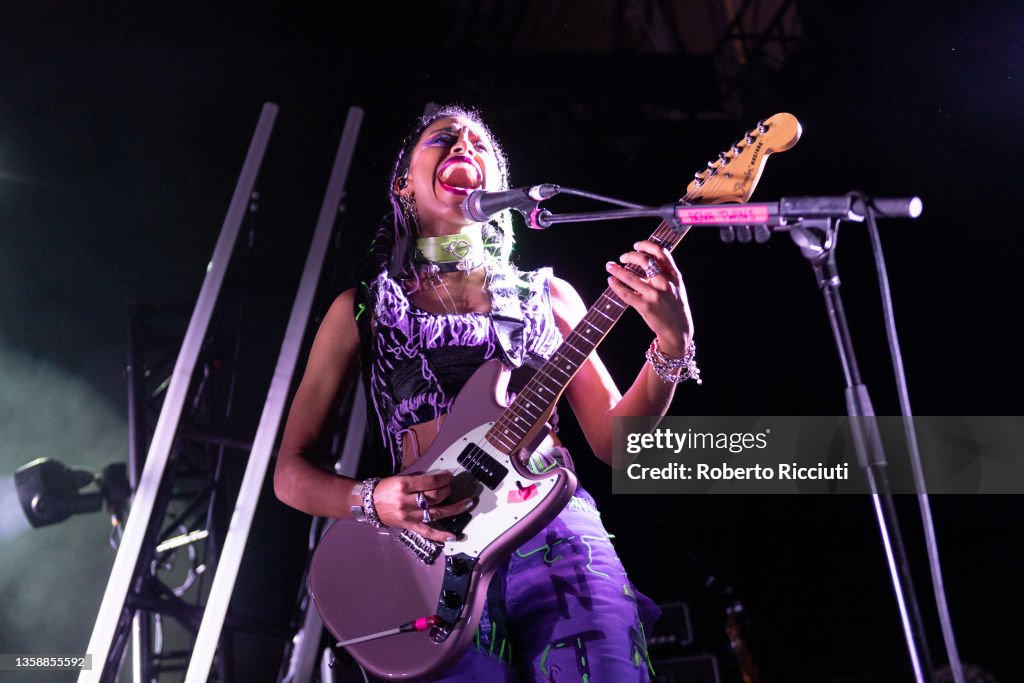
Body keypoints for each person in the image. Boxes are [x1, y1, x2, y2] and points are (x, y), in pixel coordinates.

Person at [274, 104, 699, 681]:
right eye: (443, 139)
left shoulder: (549, 297)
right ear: (403, 186)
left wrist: (672, 345)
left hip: (556, 536)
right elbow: (290, 475)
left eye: (479, 145)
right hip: (425, 564)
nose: (464, 147)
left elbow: (614, 446)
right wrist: (372, 499)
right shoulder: (364, 310)